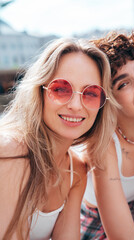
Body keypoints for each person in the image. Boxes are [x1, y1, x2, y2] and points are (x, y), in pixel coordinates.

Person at [0, 38, 117, 240]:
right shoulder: (11, 153)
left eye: (90, 93)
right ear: (40, 91)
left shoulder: (76, 171)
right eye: (61, 89)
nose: (76, 105)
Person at [81, 32, 134, 240]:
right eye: (123, 84)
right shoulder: (103, 143)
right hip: (100, 225)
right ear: (108, 101)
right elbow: (122, 235)